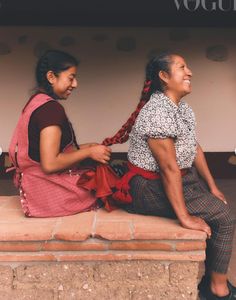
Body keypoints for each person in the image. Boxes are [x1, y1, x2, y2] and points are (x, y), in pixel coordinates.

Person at [102, 53, 236, 299]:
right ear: (164, 76)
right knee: (225, 217)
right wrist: (183, 216)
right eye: (182, 67)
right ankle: (217, 288)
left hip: (183, 179)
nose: (190, 72)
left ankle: (213, 278)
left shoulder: (181, 108)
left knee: (217, 205)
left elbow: (194, 147)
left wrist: (213, 187)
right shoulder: (157, 112)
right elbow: (168, 169)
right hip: (149, 187)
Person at [8, 50, 111, 217]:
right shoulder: (50, 110)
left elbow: (45, 151)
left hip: (34, 189)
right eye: (71, 78)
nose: (75, 84)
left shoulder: (36, 102)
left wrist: (88, 147)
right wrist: (89, 152)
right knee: (106, 188)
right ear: (51, 77)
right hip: (47, 193)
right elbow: (50, 163)